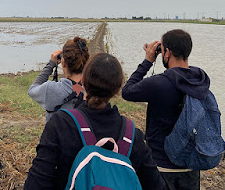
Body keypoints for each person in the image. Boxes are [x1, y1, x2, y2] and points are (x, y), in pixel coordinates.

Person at [24, 53, 167, 190]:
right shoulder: (133, 136)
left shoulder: (60, 124)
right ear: (118, 90)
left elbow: (36, 183)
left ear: (84, 82)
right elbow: (156, 186)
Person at [122, 29, 209, 189]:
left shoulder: (158, 83)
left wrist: (147, 61)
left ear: (167, 53)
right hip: (190, 166)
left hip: (161, 166)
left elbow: (127, 91)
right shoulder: (200, 82)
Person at [28, 36, 89, 122]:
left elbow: (32, 89)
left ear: (63, 63)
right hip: (85, 135)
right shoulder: (94, 90)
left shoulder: (51, 90)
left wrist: (51, 64)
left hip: (57, 135)